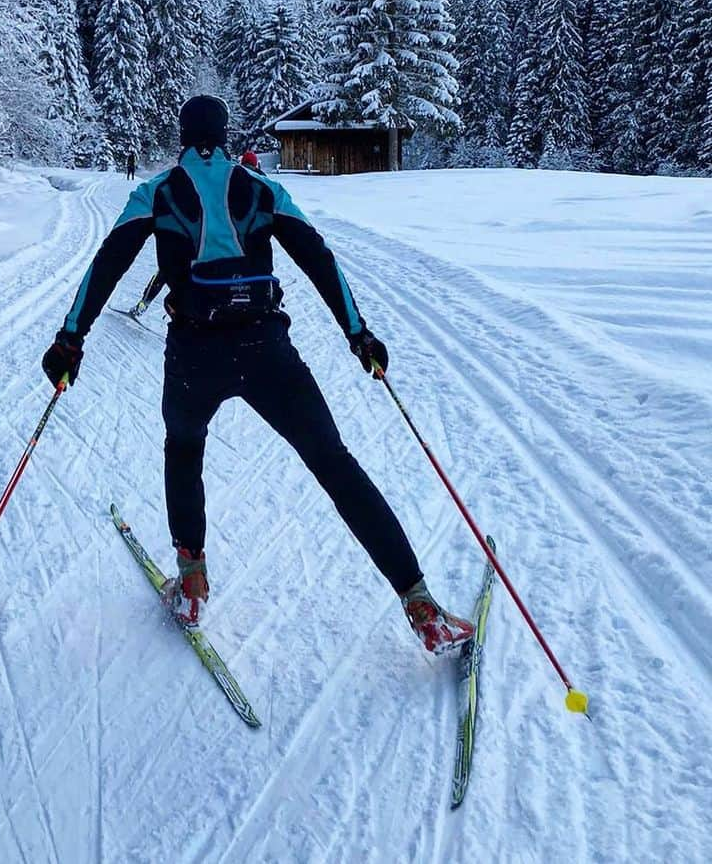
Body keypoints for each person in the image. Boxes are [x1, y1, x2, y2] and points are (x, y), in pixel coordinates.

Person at [42, 95, 472, 650]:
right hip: (268, 350)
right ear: (224, 136)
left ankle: (192, 580)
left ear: (181, 135)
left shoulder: (156, 191)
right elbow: (319, 258)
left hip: (194, 354)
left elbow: (108, 262)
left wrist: (70, 340)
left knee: (183, 449)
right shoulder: (262, 188)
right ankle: (420, 604)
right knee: (335, 465)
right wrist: (357, 334)